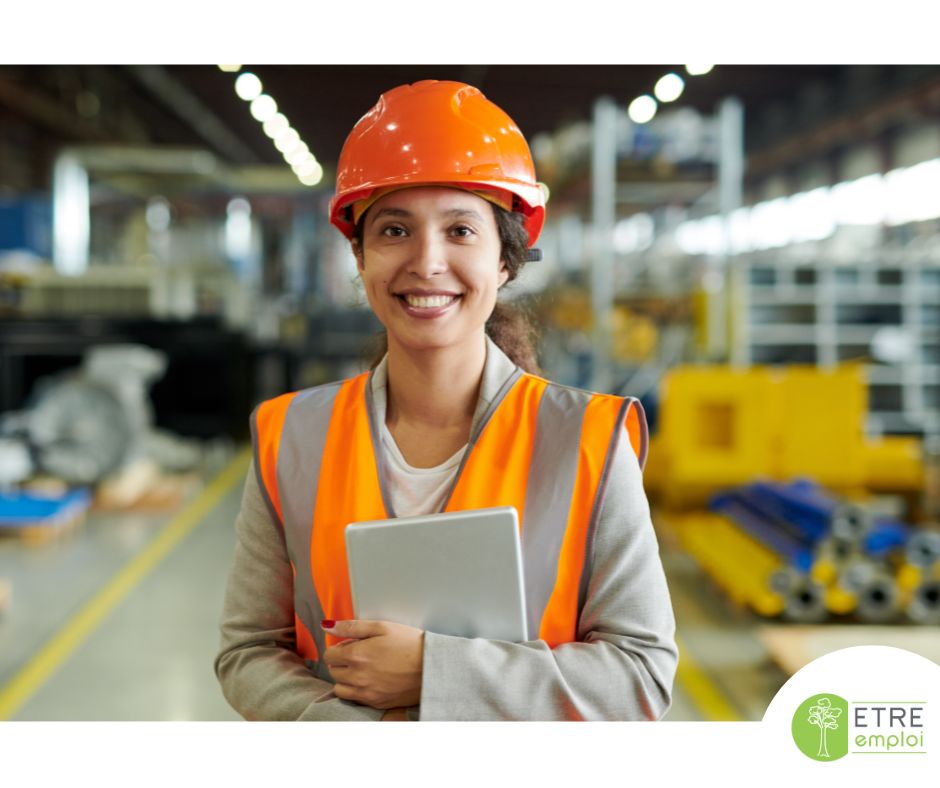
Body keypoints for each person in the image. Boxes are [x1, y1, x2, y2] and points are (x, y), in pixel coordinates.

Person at [215, 80, 678, 721]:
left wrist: (436, 673)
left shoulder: (589, 441)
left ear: (506, 262)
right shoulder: (291, 436)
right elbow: (248, 650)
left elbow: (640, 676)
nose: (427, 262)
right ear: (360, 254)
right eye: (394, 230)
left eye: (461, 230)